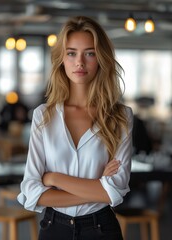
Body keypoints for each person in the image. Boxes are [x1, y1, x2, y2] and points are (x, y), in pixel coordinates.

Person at [17, 16, 133, 240]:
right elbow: (31, 191)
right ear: (62, 58)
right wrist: (98, 189)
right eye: (71, 53)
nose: (80, 62)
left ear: (101, 59)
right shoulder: (43, 115)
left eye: (89, 53)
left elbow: (115, 190)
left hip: (101, 229)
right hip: (54, 229)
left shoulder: (120, 116)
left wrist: (53, 178)